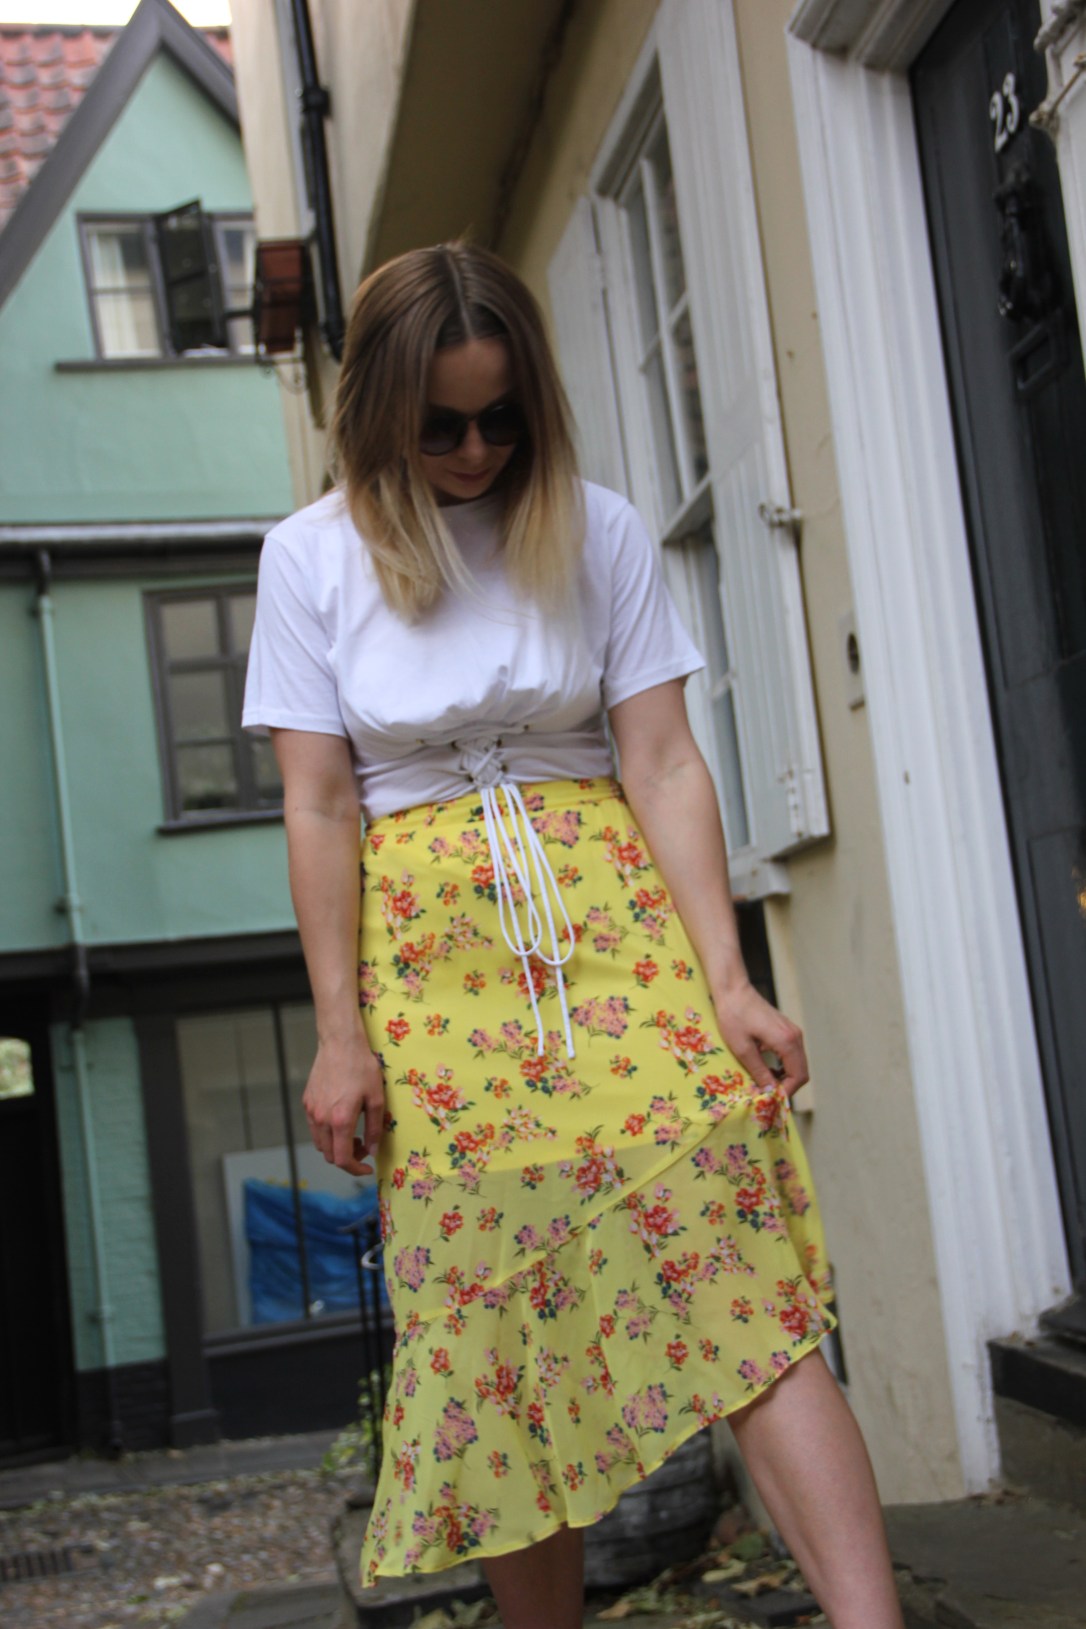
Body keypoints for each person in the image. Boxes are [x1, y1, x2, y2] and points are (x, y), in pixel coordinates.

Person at [242, 242, 905, 1629]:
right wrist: (340, 1033)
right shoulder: (308, 559)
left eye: (501, 416)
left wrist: (728, 979)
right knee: (495, 1333)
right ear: (375, 409)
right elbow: (315, 803)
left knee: (735, 1281)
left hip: (610, 939)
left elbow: (661, 761)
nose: (478, 449)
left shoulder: (593, 526)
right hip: (432, 981)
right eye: (442, 423)